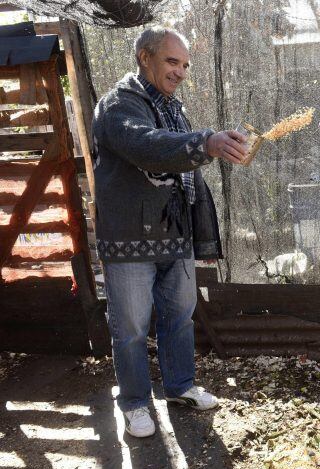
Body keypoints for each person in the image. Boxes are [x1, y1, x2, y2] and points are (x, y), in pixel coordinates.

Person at [92, 26, 246, 437]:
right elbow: (146, 144)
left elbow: (176, 160)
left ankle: (180, 387)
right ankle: (135, 402)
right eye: (172, 62)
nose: (180, 72)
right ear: (145, 57)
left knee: (179, 317)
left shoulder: (172, 107)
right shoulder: (119, 104)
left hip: (173, 232)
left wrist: (205, 144)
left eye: (185, 65)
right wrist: (205, 143)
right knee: (130, 328)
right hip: (129, 240)